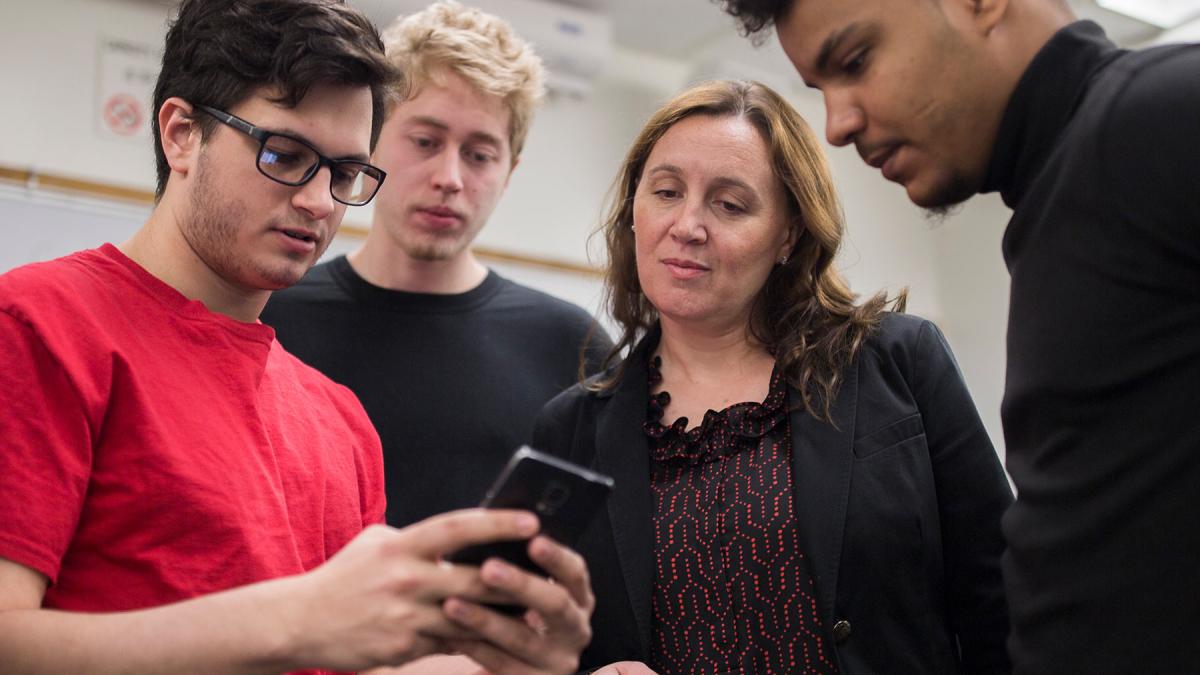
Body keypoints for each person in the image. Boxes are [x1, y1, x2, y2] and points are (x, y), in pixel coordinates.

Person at [0, 1, 594, 673]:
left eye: (344, 174)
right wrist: (294, 615)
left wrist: (509, 663)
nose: (319, 202)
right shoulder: (39, 325)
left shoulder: (339, 420)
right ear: (181, 134)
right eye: (285, 154)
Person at [716, 0, 1200, 672]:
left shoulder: (1160, 114)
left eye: (855, 61)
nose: (838, 124)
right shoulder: (1056, 202)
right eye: (821, 90)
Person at [531, 79, 1013, 675]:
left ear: (788, 234)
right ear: (635, 210)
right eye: (665, 192)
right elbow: (540, 638)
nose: (686, 224)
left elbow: (1005, 599)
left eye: (729, 205)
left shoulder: (897, 362)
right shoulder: (571, 429)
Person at [262, 0, 612, 529]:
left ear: (509, 172)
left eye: (479, 155)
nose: (449, 177)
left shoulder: (572, 347)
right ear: (372, 143)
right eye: (425, 142)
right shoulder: (270, 319)